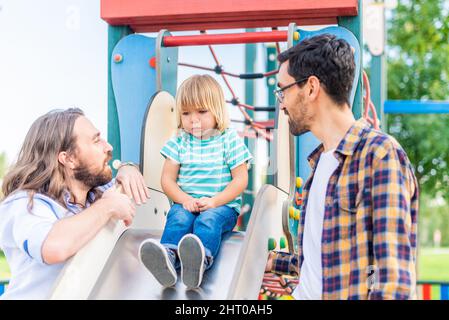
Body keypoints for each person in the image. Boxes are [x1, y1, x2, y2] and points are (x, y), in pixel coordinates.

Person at [265, 34, 419, 300]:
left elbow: (390, 279)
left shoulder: (378, 155)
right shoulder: (320, 162)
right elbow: (325, 259)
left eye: (284, 90)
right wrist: (272, 261)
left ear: (311, 88)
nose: (282, 103)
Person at [0, 108, 150, 299]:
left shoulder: (93, 196)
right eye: (96, 141)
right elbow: (54, 246)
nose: (109, 147)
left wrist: (128, 168)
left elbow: (126, 179)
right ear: (68, 158)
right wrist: (107, 206)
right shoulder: (24, 203)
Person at [139, 75, 252, 289]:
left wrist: (215, 201)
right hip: (187, 204)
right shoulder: (179, 142)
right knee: (178, 217)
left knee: (208, 220)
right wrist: (185, 200)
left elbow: (240, 180)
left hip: (222, 207)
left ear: (217, 110)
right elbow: (167, 180)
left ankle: (200, 260)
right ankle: (169, 258)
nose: (193, 119)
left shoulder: (228, 139)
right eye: (186, 113)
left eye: (201, 111)